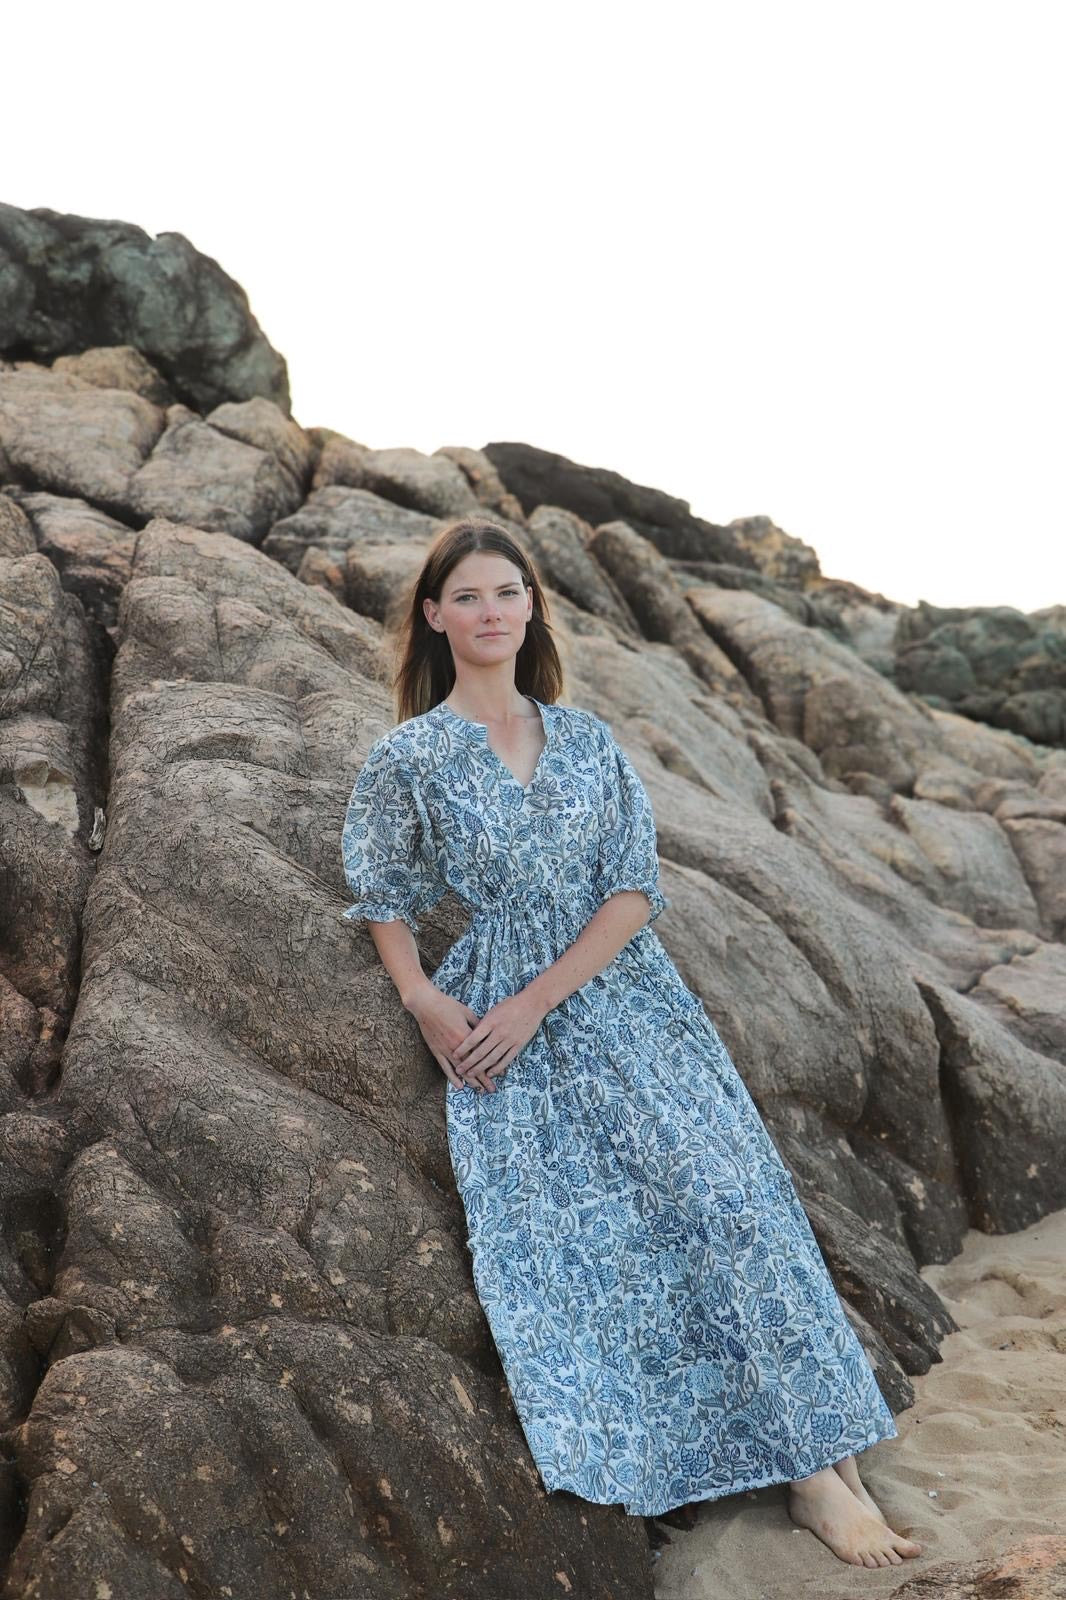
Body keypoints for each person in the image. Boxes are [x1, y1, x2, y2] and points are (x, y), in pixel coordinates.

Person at [340, 515, 923, 1570]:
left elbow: (631, 891)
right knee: (608, 1239)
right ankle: (803, 1474)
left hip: (619, 995)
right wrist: (425, 995)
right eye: (466, 596)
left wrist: (536, 1002)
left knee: (733, 1195)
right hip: (498, 1010)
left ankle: (823, 1468)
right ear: (432, 615)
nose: (488, 613)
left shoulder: (587, 739)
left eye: (506, 593)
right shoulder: (408, 756)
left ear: (532, 609)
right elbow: (379, 890)